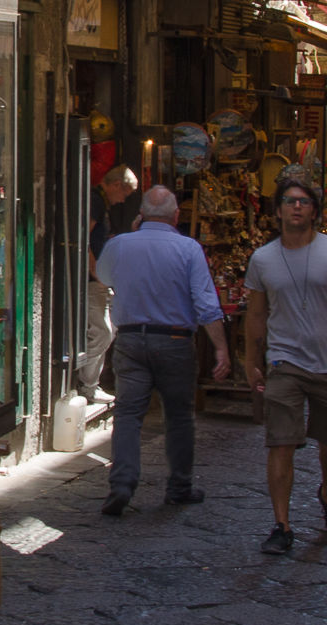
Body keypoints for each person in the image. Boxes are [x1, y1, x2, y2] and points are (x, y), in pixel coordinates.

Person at [246, 172, 327, 554]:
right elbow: (255, 315)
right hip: (284, 362)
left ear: (315, 211)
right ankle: (282, 524)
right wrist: (251, 360)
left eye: (304, 201)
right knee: (280, 443)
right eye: (290, 201)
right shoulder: (262, 259)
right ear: (278, 211)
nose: (297, 206)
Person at [93, 186, 228, 515]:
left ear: (141, 214)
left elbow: (103, 276)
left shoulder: (120, 244)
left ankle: (122, 483)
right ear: (176, 216)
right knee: (179, 417)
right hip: (175, 342)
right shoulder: (189, 249)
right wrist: (221, 348)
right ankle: (179, 486)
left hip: (131, 340)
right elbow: (207, 306)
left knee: (127, 415)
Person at [79, 165, 141, 395]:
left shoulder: (99, 201)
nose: (123, 200)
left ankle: (90, 383)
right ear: (116, 185)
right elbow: (82, 238)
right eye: (124, 193)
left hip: (97, 279)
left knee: (109, 328)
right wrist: (97, 272)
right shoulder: (95, 201)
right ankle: (87, 385)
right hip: (92, 280)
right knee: (103, 331)